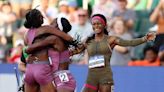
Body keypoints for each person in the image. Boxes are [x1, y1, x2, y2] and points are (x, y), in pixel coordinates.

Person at [74, 14, 156, 92]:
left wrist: (145, 38)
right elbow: (75, 50)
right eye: (94, 24)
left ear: (104, 25)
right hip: (91, 79)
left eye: (99, 23)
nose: (96, 26)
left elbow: (130, 42)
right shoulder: (88, 41)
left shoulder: (111, 39)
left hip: (105, 79)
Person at [23, 17, 82, 92]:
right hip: (56, 77)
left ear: (56, 27)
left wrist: (27, 49)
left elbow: (30, 48)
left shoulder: (53, 39)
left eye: (52, 23)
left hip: (61, 78)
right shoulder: (59, 40)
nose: (49, 25)